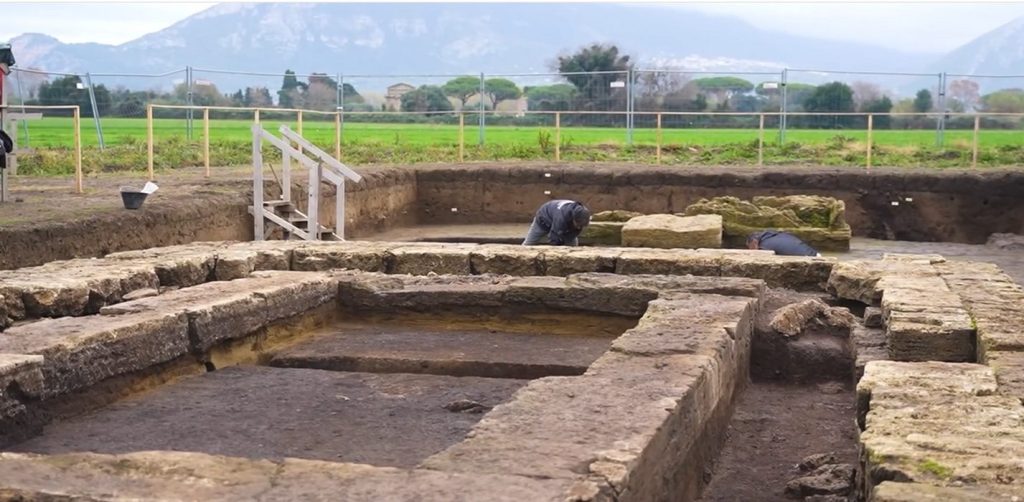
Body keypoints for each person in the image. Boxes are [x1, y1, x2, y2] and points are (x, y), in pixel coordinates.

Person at [522, 199, 591, 246]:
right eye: (578, 224)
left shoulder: (582, 214)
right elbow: (554, 239)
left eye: (581, 226)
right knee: (528, 244)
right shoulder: (561, 217)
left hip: (562, 221)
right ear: (573, 219)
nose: (579, 227)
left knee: (573, 245)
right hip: (543, 219)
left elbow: (574, 233)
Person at [747, 230, 821, 257]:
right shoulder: (780, 235)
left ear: (753, 243)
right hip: (816, 254)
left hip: (808, 260)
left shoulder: (764, 247)